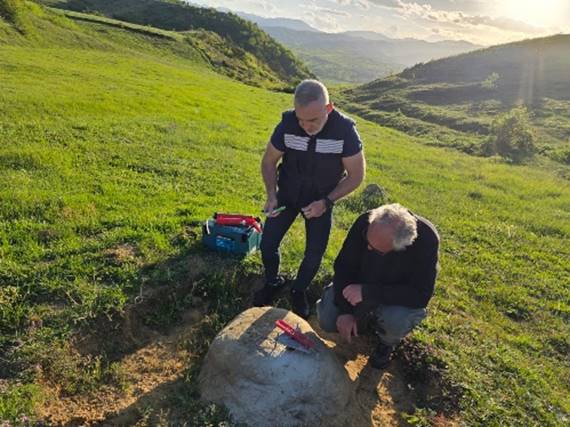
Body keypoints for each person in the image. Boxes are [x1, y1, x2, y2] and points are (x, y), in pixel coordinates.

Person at [253, 79, 365, 318]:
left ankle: (299, 290)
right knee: (268, 244)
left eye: (313, 120)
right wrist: (271, 195)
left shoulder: (344, 131)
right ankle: (272, 281)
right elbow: (269, 161)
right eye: (301, 119)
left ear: (328, 108)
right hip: (287, 194)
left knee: (314, 254)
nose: (305, 126)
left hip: (321, 200)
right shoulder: (288, 124)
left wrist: (326, 202)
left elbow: (356, 176)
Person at [316, 203, 439, 369]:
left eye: (375, 250)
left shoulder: (427, 241)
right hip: (358, 286)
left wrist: (368, 292)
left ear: (400, 247)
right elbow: (343, 267)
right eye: (367, 239)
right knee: (327, 318)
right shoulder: (366, 221)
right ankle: (360, 322)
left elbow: (420, 295)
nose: (368, 247)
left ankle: (386, 343)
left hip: (393, 297)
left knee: (397, 319)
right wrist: (345, 311)